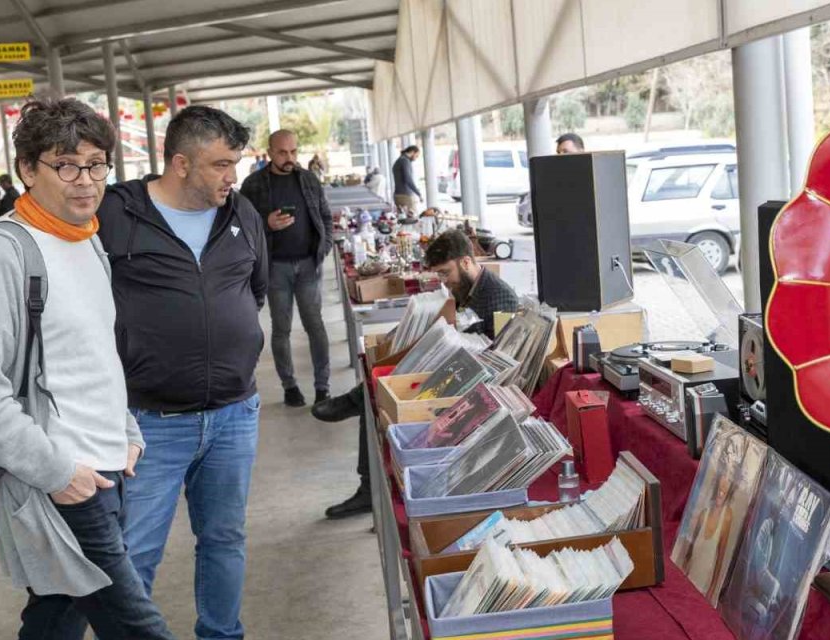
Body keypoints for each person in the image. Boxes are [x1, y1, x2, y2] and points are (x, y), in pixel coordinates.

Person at [0, 97, 174, 639]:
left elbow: (93, 352)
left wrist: (125, 430)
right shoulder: (1, 253)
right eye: (66, 165)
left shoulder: (87, 240)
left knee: (56, 617)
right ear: (28, 169)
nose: (86, 181)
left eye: (97, 165)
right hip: (60, 477)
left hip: (107, 465)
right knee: (138, 625)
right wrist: (56, 472)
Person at [97, 105, 268, 640]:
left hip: (234, 414)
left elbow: (253, 291)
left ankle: (222, 633)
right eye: (220, 164)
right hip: (149, 420)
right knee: (135, 549)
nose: (231, 176)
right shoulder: (116, 213)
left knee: (224, 538)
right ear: (179, 163)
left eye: (234, 163)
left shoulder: (242, 214)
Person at [310, 228, 520, 518]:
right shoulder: (465, 289)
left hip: (474, 387)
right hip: (454, 369)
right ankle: (366, 480)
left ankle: (364, 471)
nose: (444, 282)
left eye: (446, 273)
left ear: (466, 262)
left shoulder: (499, 298)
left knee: (381, 395)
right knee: (381, 390)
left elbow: (495, 359)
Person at [239, 129, 333, 407]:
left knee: (315, 326)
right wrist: (266, 224)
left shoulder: (308, 179)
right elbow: (241, 227)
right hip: (275, 267)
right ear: (270, 153)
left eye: (293, 151)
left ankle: (322, 387)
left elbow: (326, 217)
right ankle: (289, 386)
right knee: (281, 329)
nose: (289, 157)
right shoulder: (253, 185)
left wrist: (323, 250)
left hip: (308, 265)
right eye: (282, 152)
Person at [392, 145, 422, 213]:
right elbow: (408, 179)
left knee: (403, 218)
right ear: (412, 152)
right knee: (412, 218)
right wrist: (418, 193)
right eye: (416, 156)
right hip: (405, 196)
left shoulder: (398, 160)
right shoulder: (405, 161)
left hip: (398, 195)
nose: (416, 158)